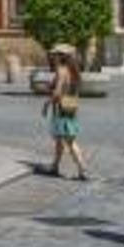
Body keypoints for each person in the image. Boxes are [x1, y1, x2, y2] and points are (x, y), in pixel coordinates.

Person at [36, 43, 90, 181]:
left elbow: (58, 92)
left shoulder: (61, 71)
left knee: (69, 140)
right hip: (71, 105)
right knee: (60, 139)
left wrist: (46, 104)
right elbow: (72, 90)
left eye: (55, 55)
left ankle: (82, 169)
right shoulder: (73, 71)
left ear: (61, 56)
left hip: (61, 108)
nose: (53, 57)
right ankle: (55, 167)